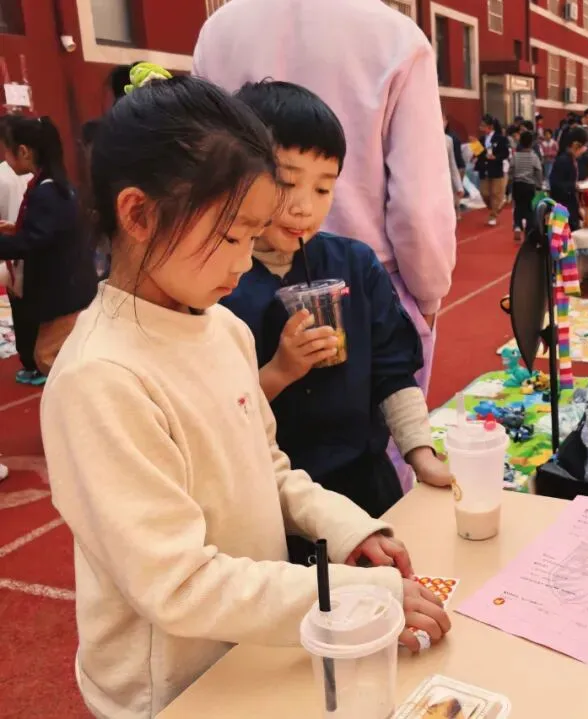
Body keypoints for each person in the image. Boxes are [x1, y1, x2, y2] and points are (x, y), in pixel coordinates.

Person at [40, 76, 451, 719]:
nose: (243, 262)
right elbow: (178, 584)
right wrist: (348, 590)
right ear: (140, 215)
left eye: (252, 236)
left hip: (251, 640)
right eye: (231, 237)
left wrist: (347, 529)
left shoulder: (222, 327)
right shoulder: (101, 379)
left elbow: (271, 467)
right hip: (172, 686)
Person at [193, 0, 456, 407]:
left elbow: (202, 169)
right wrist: (427, 299)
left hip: (235, 276)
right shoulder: (396, 37)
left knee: (247, 429)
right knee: (377, 439)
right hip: (368, 289)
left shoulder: (219, 30)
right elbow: (419, 207)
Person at [222, 80, 452, 533]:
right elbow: (213, 416)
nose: (304, 207)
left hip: (366, 485)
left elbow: (391, 370)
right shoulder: (219, 285)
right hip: (277, 505)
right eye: (287, 183)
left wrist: (421, 455)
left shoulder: (355, 264)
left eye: (324, 189)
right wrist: (279, 372)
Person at [0, 116, 96, 384]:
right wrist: (16, 229)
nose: (5, 159)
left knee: (50, 356)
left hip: (63, 290)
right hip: (69, 286)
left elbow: (35, 240)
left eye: (7, 151)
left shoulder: (48, 191)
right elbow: (45, 231)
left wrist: (12, 240)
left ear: (23, 151)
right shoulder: (53, 186)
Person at [549, 126, 588, 232]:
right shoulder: (563, 161)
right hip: (563, 208)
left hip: (571, 206)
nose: (584, 150)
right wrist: (573, 186)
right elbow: (555, 184)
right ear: (576, 146)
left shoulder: (573, 160)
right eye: (583, 147)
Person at [475, 114, 511, 227]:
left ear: (490, 126)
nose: (481, 128)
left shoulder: (501, 138)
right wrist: (474, 145)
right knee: (484, 193)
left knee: (496, 193)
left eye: (483, 125)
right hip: (484, 169)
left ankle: (493, 215)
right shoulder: (481, 139)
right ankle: (495, 207)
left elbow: (506, 153)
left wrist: (496, 157)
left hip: (496, 169)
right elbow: (479, 154)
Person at [510, 129, 544, 241]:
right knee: (530, 208)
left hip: (517, 185)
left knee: (518, 207)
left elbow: (511, 169)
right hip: (529, 185)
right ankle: (529, 230)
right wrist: (539, 184)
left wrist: (512, 179)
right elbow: (538, 170)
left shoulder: (516, 156)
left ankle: (517, 226)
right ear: (532, 143)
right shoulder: (534, 157)